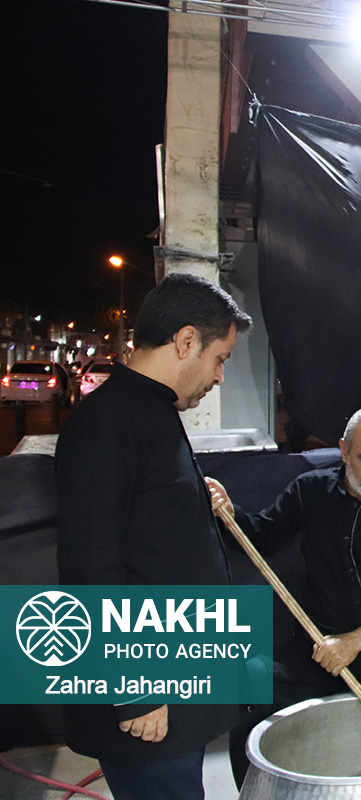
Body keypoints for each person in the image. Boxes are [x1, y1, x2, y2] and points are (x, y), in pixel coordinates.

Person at [55, 272, 252, 800]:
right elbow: (90, 566)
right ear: (186, 340)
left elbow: (145, 522)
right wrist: (133, 689)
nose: (219, 376)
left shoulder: (152, 410)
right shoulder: (108, 422)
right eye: (220, 359)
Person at [208, 405, 361, 786]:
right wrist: (230, 514)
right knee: (251, 684)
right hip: (320, 645)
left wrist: (355, 641)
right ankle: (255, 793)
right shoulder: (310, 490)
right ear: (344, 450)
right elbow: (263, 536)